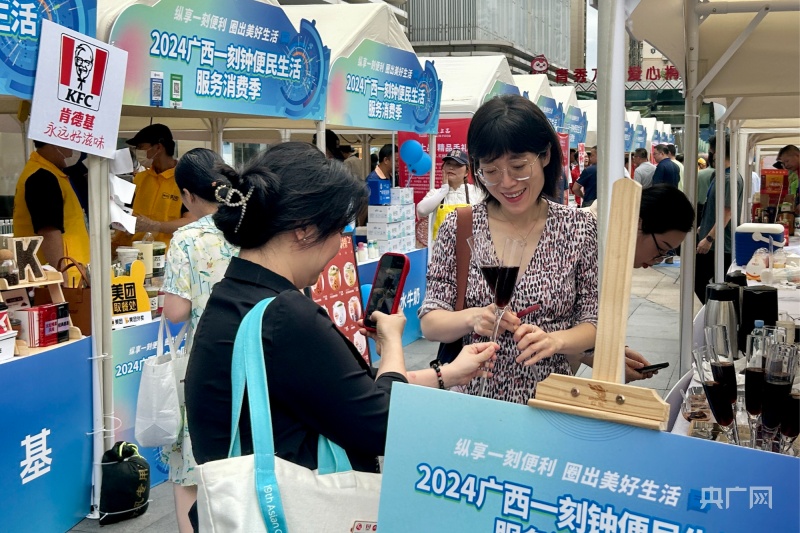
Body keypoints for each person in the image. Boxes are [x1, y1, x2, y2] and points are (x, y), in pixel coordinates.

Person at [185, 142, 497, 528]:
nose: (339, 245)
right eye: (338, 229)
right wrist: (393, 342)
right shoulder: (286, 315)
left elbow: (339, 392)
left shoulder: (231, 296)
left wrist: (445, 374)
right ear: (304, 230)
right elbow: (380, 423)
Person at [420, 95, 599, 404]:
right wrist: (473, 317)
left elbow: (594, 322)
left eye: (518, 167)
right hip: (474, 402)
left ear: (544, 155)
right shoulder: (460, 226)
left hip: (550, 402)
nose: (507, 183)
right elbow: (431, 321)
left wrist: (555, 341)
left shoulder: (578, 227)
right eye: (490, 171)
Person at [161, 148, 239, 533]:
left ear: (189, 196)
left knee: (191, 470)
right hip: (257, 356)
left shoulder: (187, 238)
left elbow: (176, 312)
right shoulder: (252, 225)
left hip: (206, 363)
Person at [579, 184, 695, 381]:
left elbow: (576, 321)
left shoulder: (609, 247)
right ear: (639, 224)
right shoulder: (584, 238)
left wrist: (610, 352)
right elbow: (551, 325)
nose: (656, 260)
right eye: (661, 250)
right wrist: (602, 356)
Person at [13, 141, 89, 285]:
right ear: (53, 143)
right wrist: (61, 279)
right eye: (69, 144)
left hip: (62, 275)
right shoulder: (42, 177)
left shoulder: (48, 173)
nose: (73, 152)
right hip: (56, 279)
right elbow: (49, 231)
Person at [114, 124, 195, 249]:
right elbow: (127, 216)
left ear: (158, 147)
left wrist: (156, 226)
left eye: (141, 147)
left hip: (169, 255)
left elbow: (191, 221)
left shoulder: (184, 180)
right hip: (136, 253)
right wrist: (114, 247)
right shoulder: (140, 178)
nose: (138, 152)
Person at [695, 134, 744, 304]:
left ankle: (715, 312)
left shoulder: (730, 179)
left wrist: (709, 238)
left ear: (716, 152)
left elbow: (727, 213)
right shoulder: (721, 175)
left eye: (711, 151)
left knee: (700, 280)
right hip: (716, 240)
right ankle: (715, 312)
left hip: (720, 244)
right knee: (704, 281)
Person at [416, 148, 484, 220]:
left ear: (466, 172)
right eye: (448, 163)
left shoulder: (476, 192)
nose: (451, 167)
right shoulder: (436, 193)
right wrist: (443, 191)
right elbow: (421, 211)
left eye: (458, 165)